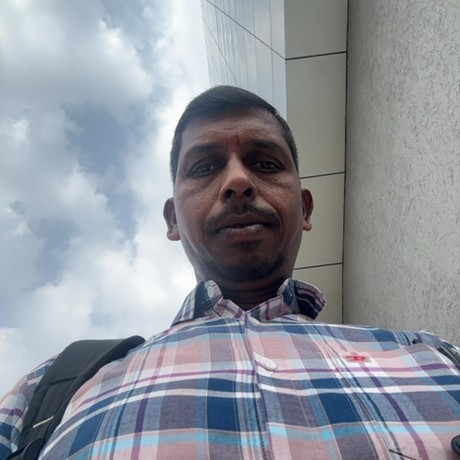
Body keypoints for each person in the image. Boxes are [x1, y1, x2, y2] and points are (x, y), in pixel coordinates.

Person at [1, 86, 459, 459]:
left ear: (304, 209)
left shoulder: (435, 354)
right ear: (173, 221)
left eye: (266, 164)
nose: (238, 181)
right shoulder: (52, 388)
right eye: (204, 167)